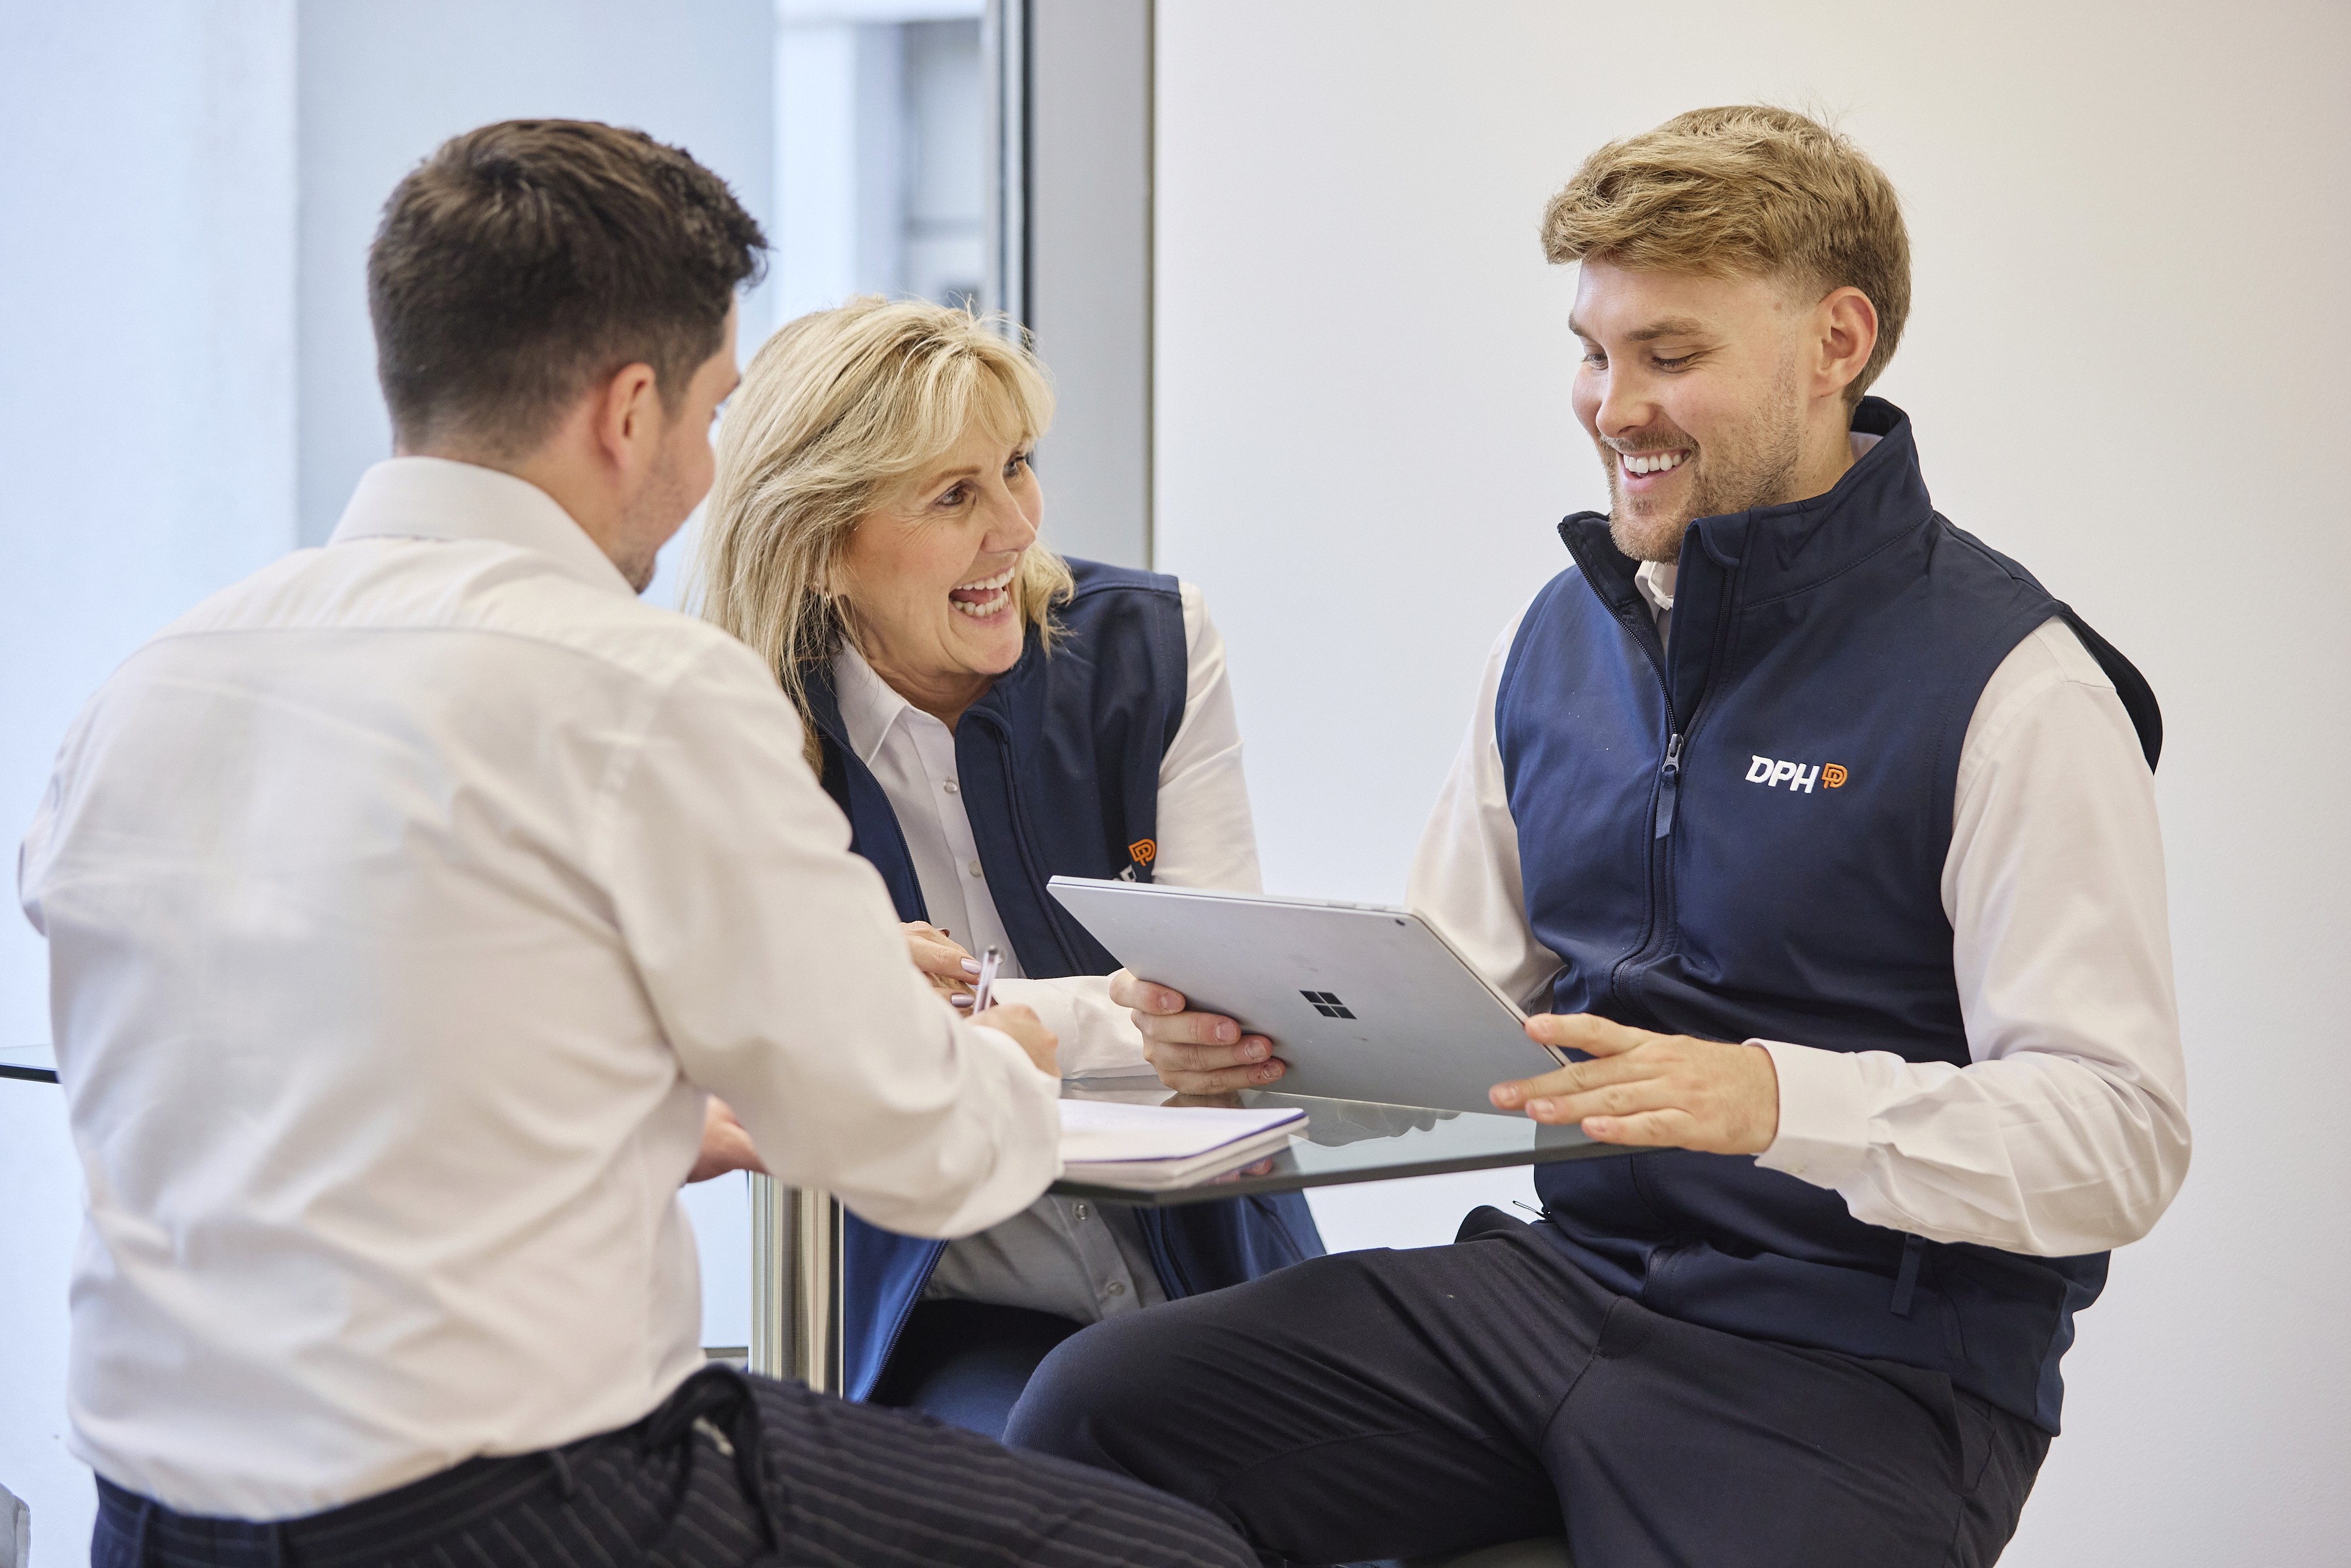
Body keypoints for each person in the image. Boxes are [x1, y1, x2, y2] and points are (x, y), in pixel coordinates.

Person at [20, 119, 1253, 1568]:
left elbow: (293, 1076)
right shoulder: (637, 692)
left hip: (153, 1517)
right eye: (715, 409)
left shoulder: (151, 685)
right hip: (523, 1507)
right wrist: (987, 1040)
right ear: (627, 413)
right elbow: (922, 1148)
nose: (713, 467)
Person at [1006, 105, 2190, 1567]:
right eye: (1594, 349)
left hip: (1858, 1367)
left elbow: (2121, 1139)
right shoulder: (1564, 634)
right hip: (1561, 1293)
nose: (1613, 405)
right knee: (1097, 1416)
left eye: (1672, 356)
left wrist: (1771, 1100)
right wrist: (1250, 1044)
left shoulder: (2017, 686)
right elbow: (1454, 1003)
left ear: (1839, 341)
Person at [692, 296, 1324, 1441]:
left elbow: (1228, 1007)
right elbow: (751, 1047)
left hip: (1218, 1274)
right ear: (824, 542)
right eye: (953, 495)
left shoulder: (1154, 644)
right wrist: (1108, 1018)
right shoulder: (730, 727)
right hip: (950, 1317)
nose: (1015, 528)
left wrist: (960, 1018)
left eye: (1017, 468)